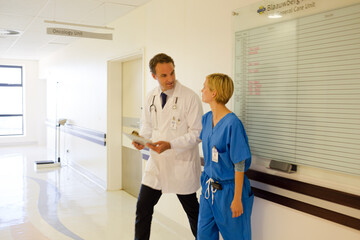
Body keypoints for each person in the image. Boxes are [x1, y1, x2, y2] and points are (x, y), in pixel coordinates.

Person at [132, 53, 203, 240]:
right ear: (154, 76)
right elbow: (147, 127)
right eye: (164, 75)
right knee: (143, 208)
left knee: (194, 213)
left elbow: (197, 133)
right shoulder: (151, 97)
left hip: (181, 164)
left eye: (172, 73)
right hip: (157, 164)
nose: (170, 79)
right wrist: (142, 140)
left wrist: (171, 145)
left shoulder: (189, 97)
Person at [197, 73, 254, 240]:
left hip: (230, 191)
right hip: (209, 189)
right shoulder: (207, 119)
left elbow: (239, 163)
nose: (202, 89)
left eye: (205, 87)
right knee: (204, 236)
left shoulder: (232, 123)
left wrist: (237, 199)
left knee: (236, 237)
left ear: (214, 93)